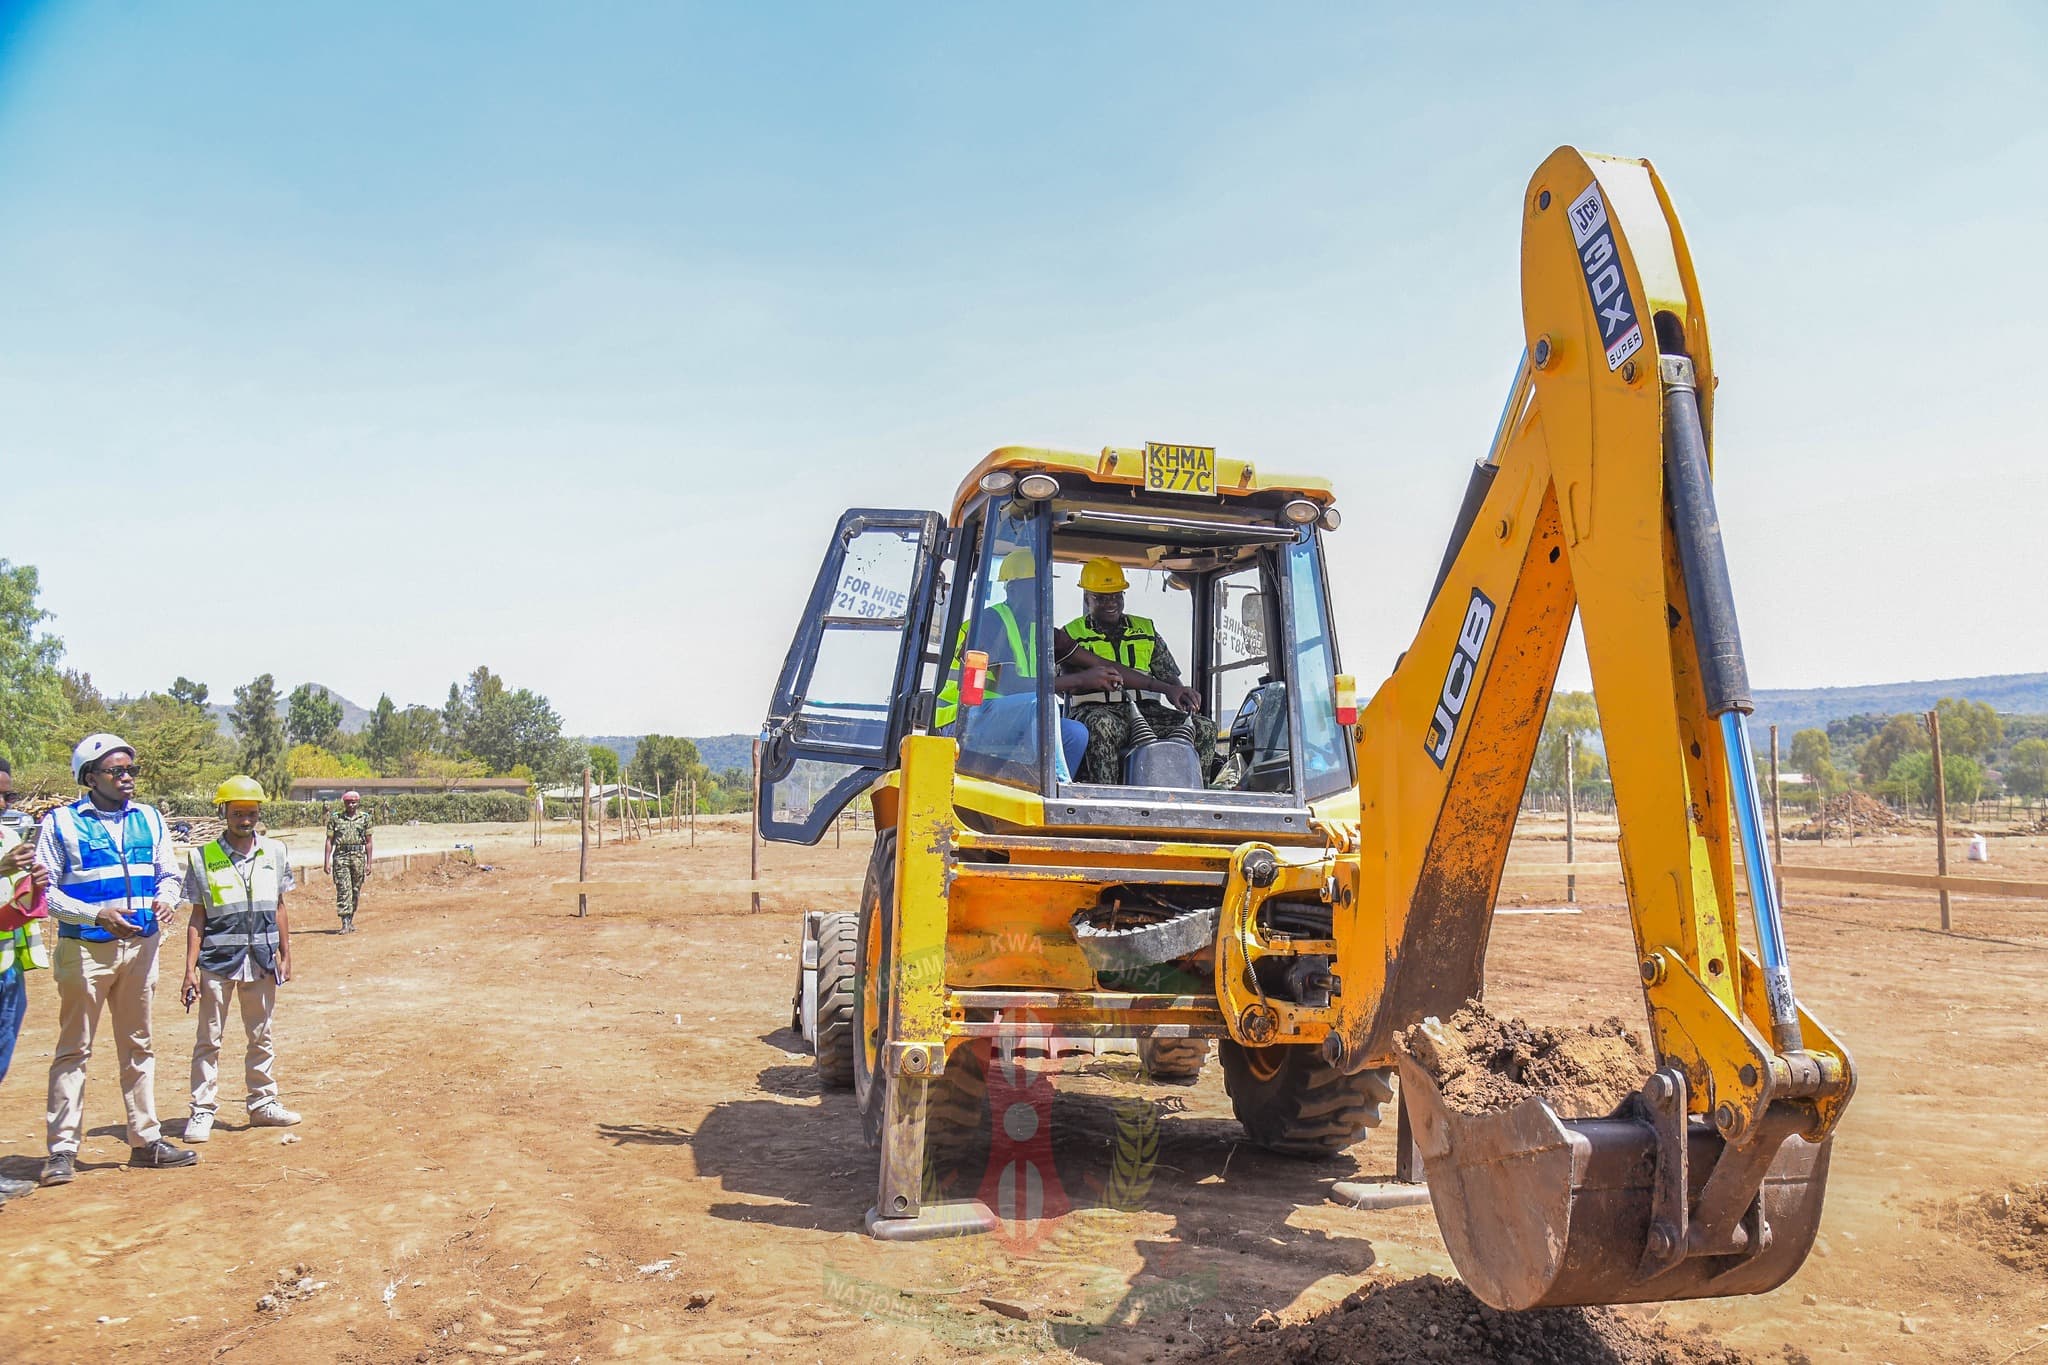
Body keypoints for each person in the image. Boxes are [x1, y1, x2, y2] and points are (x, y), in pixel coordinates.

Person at [38, 733, 198, 1184]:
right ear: (90, 777)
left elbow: (168, 872)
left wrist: (166, 900)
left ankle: (145, 1140)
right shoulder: (61, 824)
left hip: (141, 948)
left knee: (139, 1044)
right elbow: (45, 891)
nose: (128, 778)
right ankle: (63, 1151)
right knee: (74, 1049)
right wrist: (96, 914)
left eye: (132, 770)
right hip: (86, 948)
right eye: (117, 771)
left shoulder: (149, 818)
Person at [180, 776, 300, 1142]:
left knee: (261, 1036)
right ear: (224, 813)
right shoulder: (203, 857)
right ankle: (202, 1111)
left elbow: (279, 906)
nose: (245, 820)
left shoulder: (275, 853)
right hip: (218, 961)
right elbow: (197, 917)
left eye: (251, 813)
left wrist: (286, 953)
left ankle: (263, 1103)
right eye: (237, 813)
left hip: (262, 961)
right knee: (209, 1040)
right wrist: (189, 970)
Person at [937, 548, 1092, 779]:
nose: (1042, 595)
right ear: (1012, 589)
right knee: (1042, 704)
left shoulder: (1036, 630)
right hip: (965, 719)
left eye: (1044, 588)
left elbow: (1084, 657)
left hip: (1006, 718)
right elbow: (1006, 684)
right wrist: (1077, 680)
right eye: (1034, 588)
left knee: (1076, 733)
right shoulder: (989, 622)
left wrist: (1152, 684)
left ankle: (1039, 785)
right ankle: (1061, 788)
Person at [1061, 557, 1218, 784]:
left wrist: (1181, 692)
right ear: (1087, 597)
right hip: (1094, 710)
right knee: (1102, 725)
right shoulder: (1070, 635)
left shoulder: (1146, 629)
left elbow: (1170, 678)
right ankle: (1106, 800)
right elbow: (1059, 687)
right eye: (1101, 598)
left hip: (1146, 710)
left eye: (1117, 595)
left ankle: (1197, 795)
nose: (1111, 603)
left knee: (1204, 727)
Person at [0, 760, 51, 1206]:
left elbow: (19, 909)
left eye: (9, 796)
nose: (3, 804)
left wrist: (35, 887)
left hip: (7, 972)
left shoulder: (9, 838)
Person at [323, 790, 374, 933]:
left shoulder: (365, 818)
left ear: (358, 803)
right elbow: (329, 841)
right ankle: (344, 922)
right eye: (348, 802)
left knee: (355, 889)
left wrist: (369, 863)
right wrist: (326, 861)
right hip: (341, 856)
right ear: (344, 803)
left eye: (354, 802)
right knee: (343, 889)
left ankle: (350, 919)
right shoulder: (336, 818)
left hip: (358, 856)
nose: (351, 805)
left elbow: (369, 842)